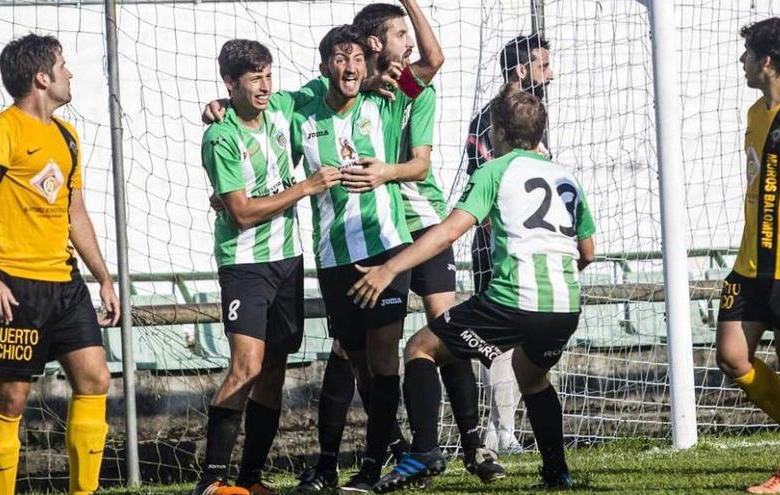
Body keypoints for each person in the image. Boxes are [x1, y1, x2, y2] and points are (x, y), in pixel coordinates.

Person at [349, 82, 595, 492]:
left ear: (497, 132)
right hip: (565, 305)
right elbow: (587, 251)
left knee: (420, 347)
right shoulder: (565, 177)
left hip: (514, 300)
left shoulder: (494, 171)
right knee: (532, 377)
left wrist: (389, 269)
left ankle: (424, 452)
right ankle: (557, 473)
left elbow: (447, 233)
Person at [0, 34, 120, 495]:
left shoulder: (66, 135)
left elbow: (75, 212)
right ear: (41, 77)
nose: (70, 74)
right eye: (63, 66)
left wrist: (104, 277)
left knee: (95, 378)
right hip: (14, 285)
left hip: (66, 283)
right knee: (11, 398)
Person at [193, 39, 343, 495]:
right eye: (253, 78)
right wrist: (305, 187)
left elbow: (336, 82)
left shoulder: (281, 107)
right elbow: (239, 212)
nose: (264, 85)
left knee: (274, 369)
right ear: (229, 83)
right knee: (247, 367)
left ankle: (250, 477)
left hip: (287, 260)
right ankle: (211, 480)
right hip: (245, 264)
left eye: (267, 75)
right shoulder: (221, 137)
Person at [288, 24, 428, 494]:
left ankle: (370, 470)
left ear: (366, 65)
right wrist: (224, 109)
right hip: (332, 257)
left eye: (356, 59)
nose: (349, 67)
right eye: (340, 59)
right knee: (352, 357)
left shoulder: (386, 102)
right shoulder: (302, 113)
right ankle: (332, 466)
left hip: (386, 247)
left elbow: (430, 67)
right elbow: (259, 121)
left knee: (384, 354)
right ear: (325, 64)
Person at [714, 17, 780, 494]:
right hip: (748, 262)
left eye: (747, 55)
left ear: (767, 61)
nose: (741, 63)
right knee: (732, 356)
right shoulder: (757, 113)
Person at [464, 33, 555, 454]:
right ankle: (497, 428)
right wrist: (501, 240)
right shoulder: (490, 121)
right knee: (498, 339)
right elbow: (484, 193)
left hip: (532, 248)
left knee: (521, 339)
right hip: (498, 249)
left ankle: (504, 428)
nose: (550, 74)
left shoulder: (536, 116)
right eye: (543, 65)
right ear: (521, 70)